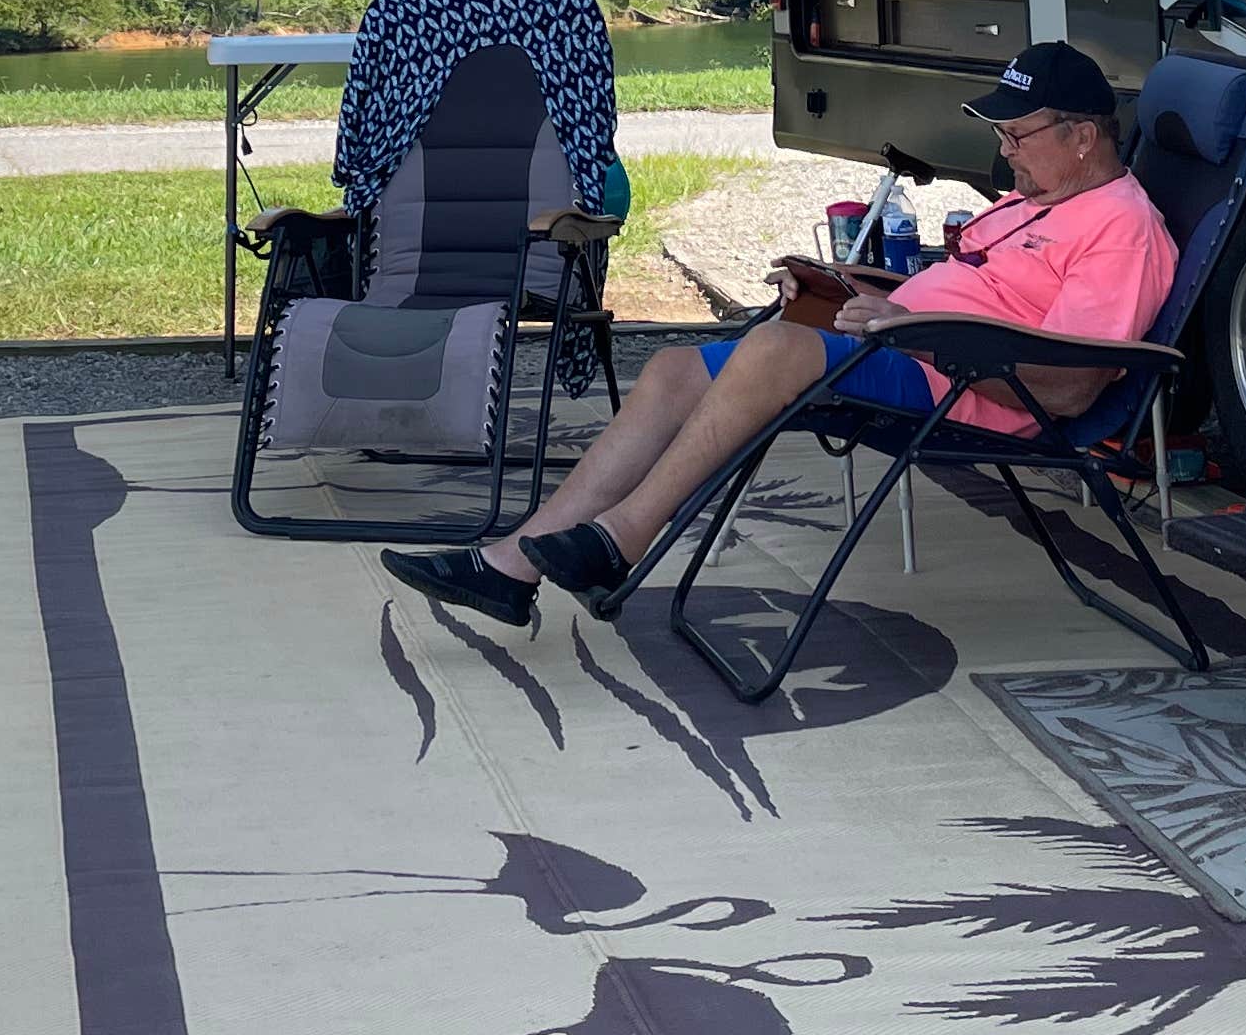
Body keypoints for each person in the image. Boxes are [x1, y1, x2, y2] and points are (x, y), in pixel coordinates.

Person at [381, 40, 1177, 630]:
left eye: (1019, 136)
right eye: (1000, 137)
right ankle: (512, 562)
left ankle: (621, 537)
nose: (1004, 153)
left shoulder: (1122, 228)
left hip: (968, 387)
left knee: (778, 349)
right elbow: (975, 281)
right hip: (914, 343)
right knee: (673, 371)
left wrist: (920, 332)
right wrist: (856, 289)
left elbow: (1071, 383)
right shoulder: (1038, 198)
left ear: (1082, 135)